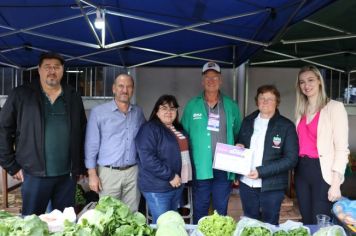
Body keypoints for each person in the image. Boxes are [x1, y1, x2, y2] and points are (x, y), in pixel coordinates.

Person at [0, 52, 87, 215]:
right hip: (33, 174)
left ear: (62, 71)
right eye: (47, 67)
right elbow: (3, 129)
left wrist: (80, 165)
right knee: (33, 223)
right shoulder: (22, 94)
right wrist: (10, 164)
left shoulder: (73, 95)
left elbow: (82, 131)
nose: (52, 71)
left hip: (66, 176)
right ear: (39, 70)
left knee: (64, 225)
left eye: (56, 67)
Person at [181, 61, 241, 223]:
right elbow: (182, 136)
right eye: (207, 77)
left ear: (220, 80)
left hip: (224, 167)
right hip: (200, 167)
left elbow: (238, 134)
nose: (211, 80)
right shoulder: (192, 106)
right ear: (202, 80)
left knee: (220, 211)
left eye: (215, 77)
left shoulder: (231, 105)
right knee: (200, 209)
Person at [295, 65, 350, 224]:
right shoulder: (301, 110)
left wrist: (335, 184)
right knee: (306, 219)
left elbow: (341, 149)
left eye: (311, 80)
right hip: (301, 171)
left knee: (321, 221)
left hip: (322, 172)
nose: (306, 85)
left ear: (319, 81)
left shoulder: (334, 107)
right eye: (302, 82)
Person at [236, 85, 298, 225]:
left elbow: (291, 159)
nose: (265, 101)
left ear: (277, 102)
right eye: (261, 98)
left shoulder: (286, 126)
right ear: (257, 101)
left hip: (272, 186)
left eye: (270, 99)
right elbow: (240, 142)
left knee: (269, 224)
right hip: (247, 183)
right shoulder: (247, 121)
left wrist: (261, 171)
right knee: (250, 223)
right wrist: (239, 146)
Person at [85, 73, 145, 212]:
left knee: (131, 216)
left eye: (129, 86)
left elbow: (145, 138)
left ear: (133, 90)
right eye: (121, 86)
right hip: (108, 174)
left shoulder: (138, 112)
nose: (125, 90)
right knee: (108, 216)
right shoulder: (99, 112)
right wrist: (92, 174)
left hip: (132, 173)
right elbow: (91, 145)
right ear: (113, 89)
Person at [135, 95, 192, 223]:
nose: (169, 112)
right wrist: (170, 176)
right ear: (156, 111)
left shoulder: (178, 129)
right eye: (164, 108)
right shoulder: (149, 128)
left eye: (172, 108)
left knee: (172, 222)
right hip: (158, 187)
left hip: (177, 185)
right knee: (163, 223)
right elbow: (147, 158)